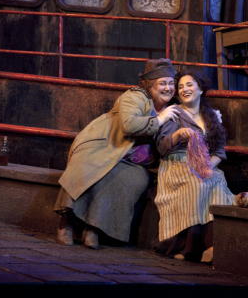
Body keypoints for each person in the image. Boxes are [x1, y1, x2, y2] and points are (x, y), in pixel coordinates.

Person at [54, 58, 179, 249]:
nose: (168, 88)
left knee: (132, 180)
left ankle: (94, 228)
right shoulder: (135, 96)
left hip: (135, 162)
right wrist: (160, 119)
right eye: (162, 83)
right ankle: (67, 222)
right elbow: (129, 125)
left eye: (171, 83)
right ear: (149, 85)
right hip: (106, 145)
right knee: (89, 166)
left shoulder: (173, 107)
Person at [154, 68, 235, 263]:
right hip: (176, 164)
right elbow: (161, 147)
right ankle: (188, 248)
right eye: (180, 87)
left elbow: (219, 151)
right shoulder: (174, 113)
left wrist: (207, 167)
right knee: (195, 185)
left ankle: (212, 246)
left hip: (204, 164)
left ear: (200, 89)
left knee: (217, 183)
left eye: (189, 85)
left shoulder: (211, 116)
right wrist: (177, 135)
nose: (184, 89)